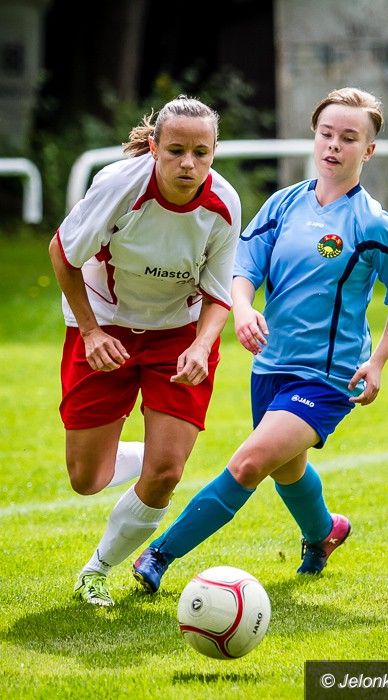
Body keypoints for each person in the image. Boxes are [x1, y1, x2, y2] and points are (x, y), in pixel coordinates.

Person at [132, 87, 388, 594]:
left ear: (368, 150)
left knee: (249, 463)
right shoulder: (283, 204)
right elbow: (243, 268)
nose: (334, 145)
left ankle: (158, 555)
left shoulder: (374, 224)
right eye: (326, 134)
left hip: (328, 376)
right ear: (314, 137)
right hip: (270, 365)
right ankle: (324, 532)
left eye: (349, 138)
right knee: (287, 471)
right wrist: (243, 310)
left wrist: (377, 362)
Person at [49, 95, 241, 607]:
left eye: (201, 153)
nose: (189, 164)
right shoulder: (119, 186)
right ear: (154, 148)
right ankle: (136, 452)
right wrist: (91, 332)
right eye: (176, 151)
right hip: (105, 325)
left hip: (178, 334)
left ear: (214, 152)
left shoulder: (224, 204)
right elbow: (62, 254)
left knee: (167, 472)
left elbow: (220, 291)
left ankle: (97, 571)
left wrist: (202, 345)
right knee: (87, 479)